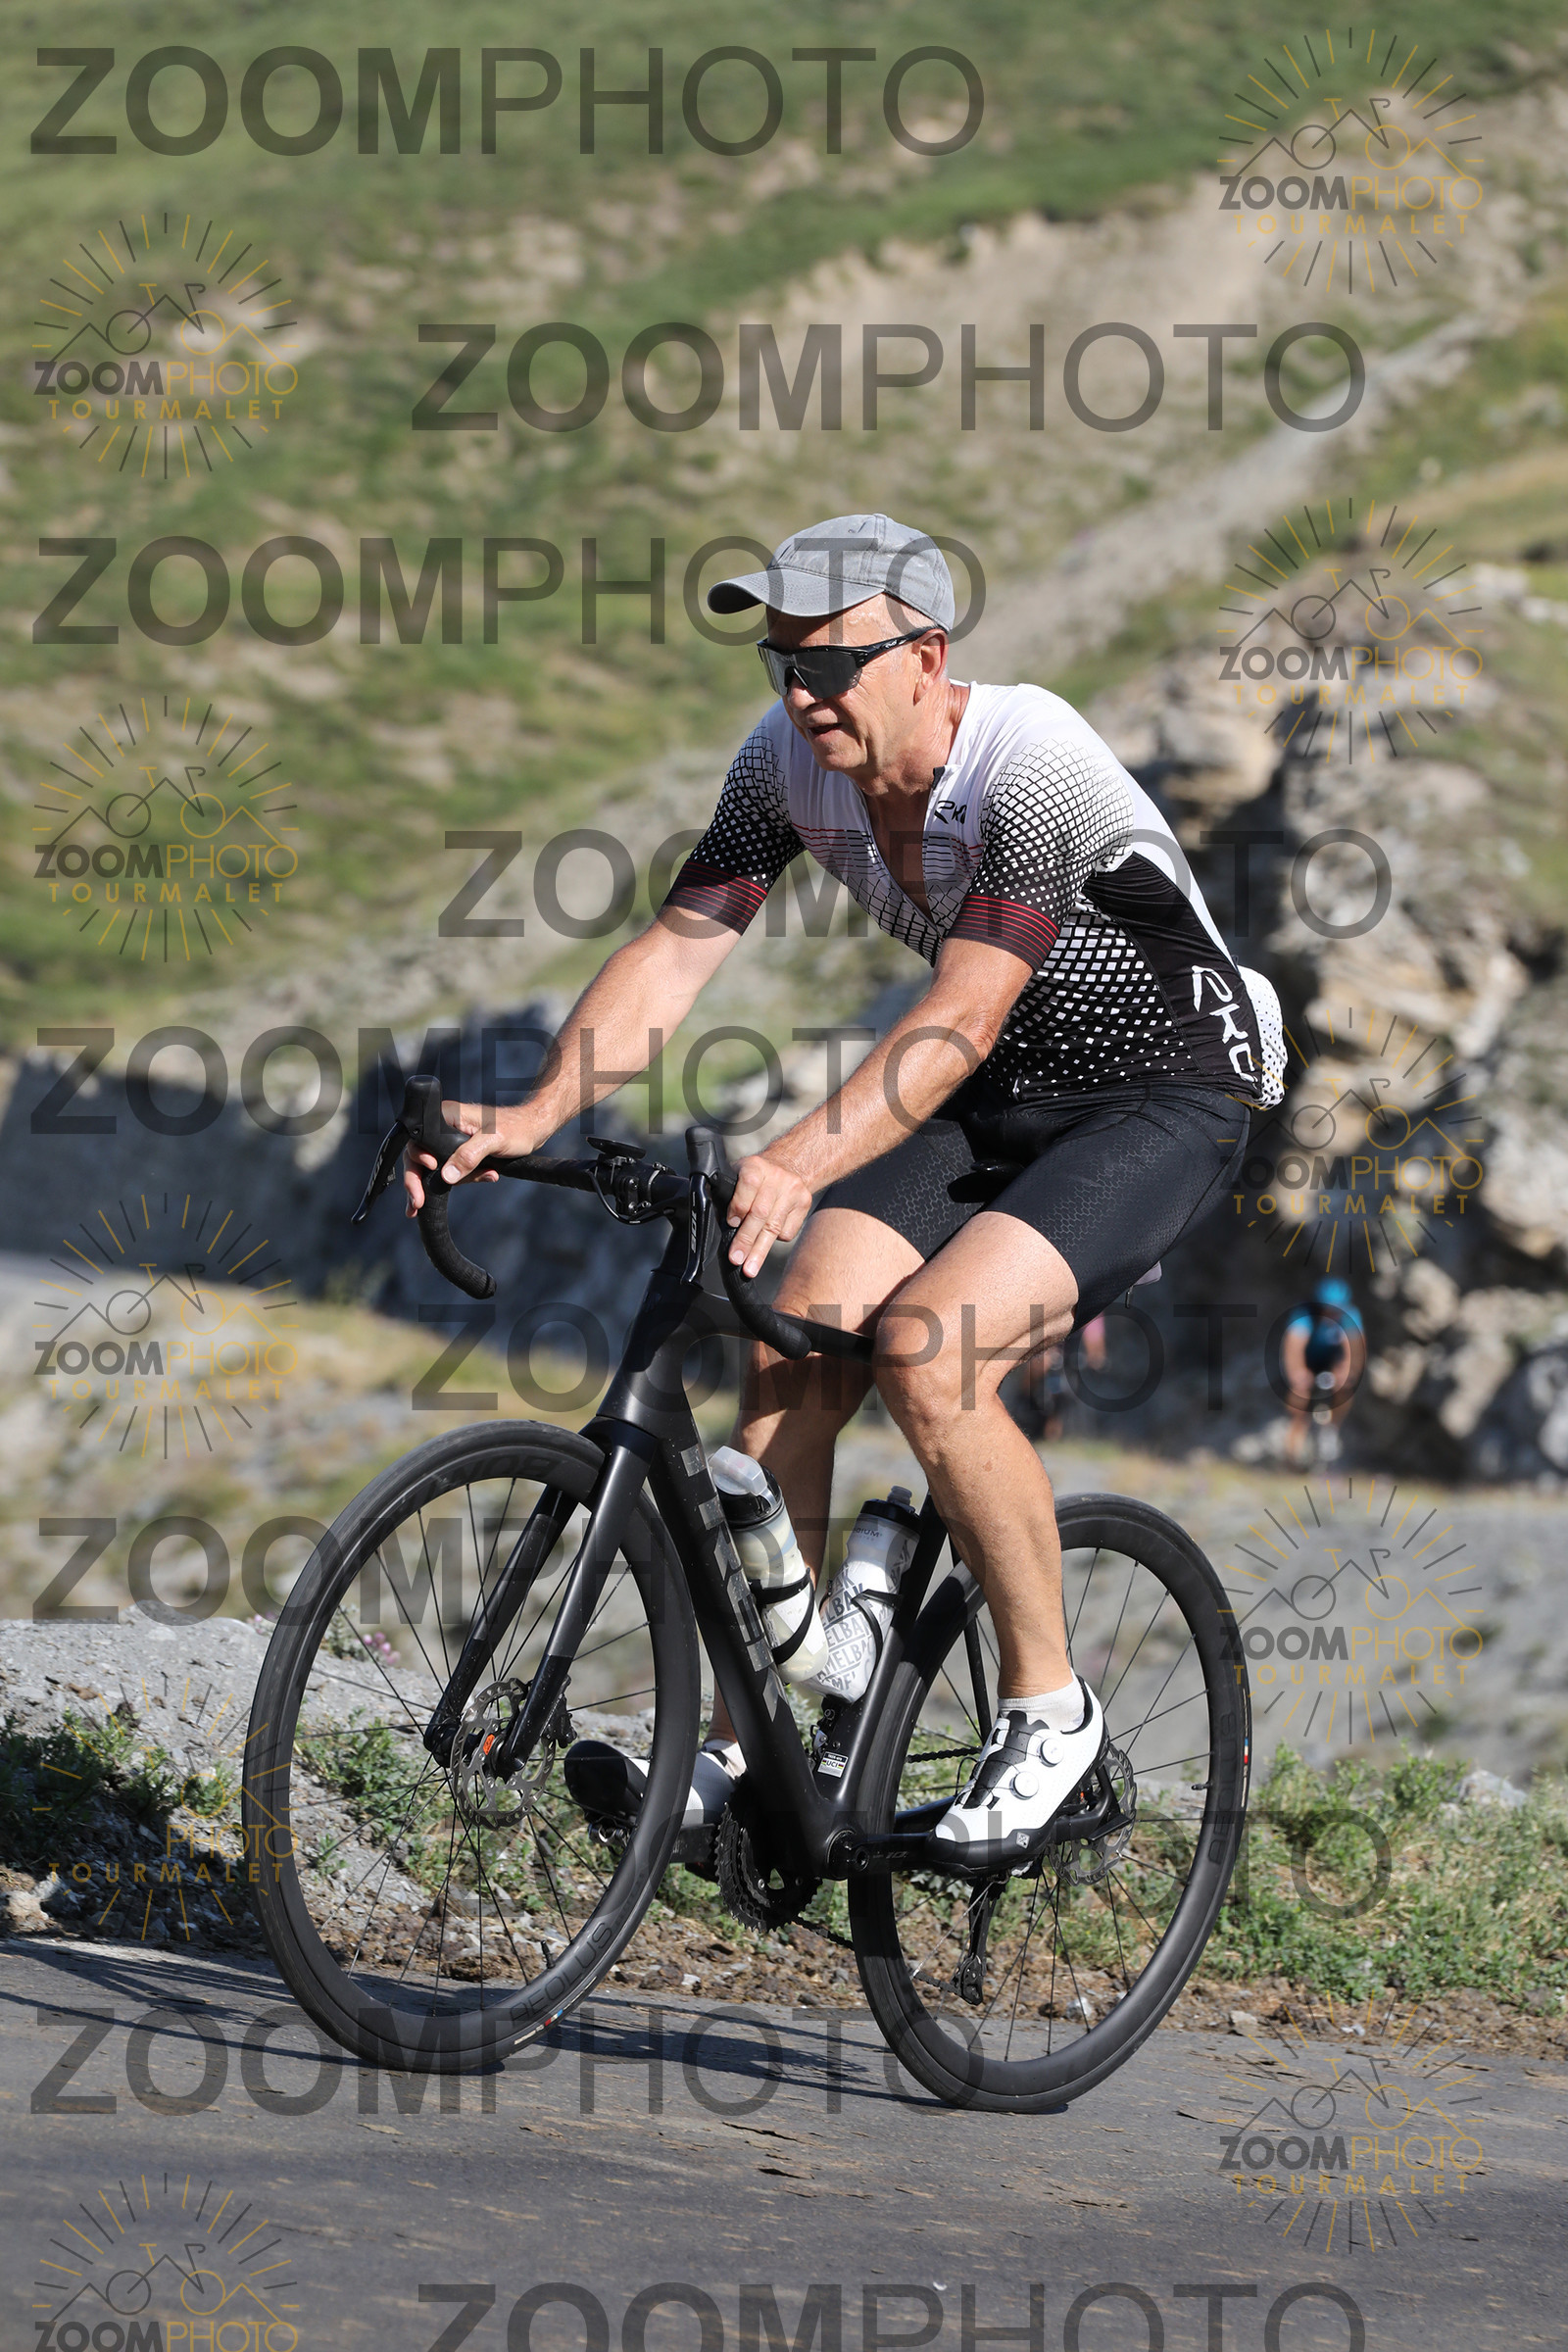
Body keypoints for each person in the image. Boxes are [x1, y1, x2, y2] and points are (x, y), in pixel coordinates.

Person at [405, 514, 1284, 1871]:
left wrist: (801, 1158)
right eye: (782, 664)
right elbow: (677, 952)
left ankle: (1051, 1710)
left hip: (1163, 1091)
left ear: (927, 657)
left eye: (832, 664)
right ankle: (754, 1745)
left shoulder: (1030, 762)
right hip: (1001, 1091)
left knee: (930, 1353)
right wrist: (531, 1115)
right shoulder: (785, 763)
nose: (803, 693)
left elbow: (964, 1012)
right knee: (793, 1325)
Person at [1281, 1276, 1365, 1465]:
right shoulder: (1304, 1314)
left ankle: (1331, 1430)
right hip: (1309, 1360)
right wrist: (1298, 1373)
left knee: (1345, 1387)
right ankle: (1294, 1443)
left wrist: (1346, 1372)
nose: (1332, 1313)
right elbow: (1293, 1348)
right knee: (1299, 1394)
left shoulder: (1350, 1316)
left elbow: (1355, 1350)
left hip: (1332, 1360)